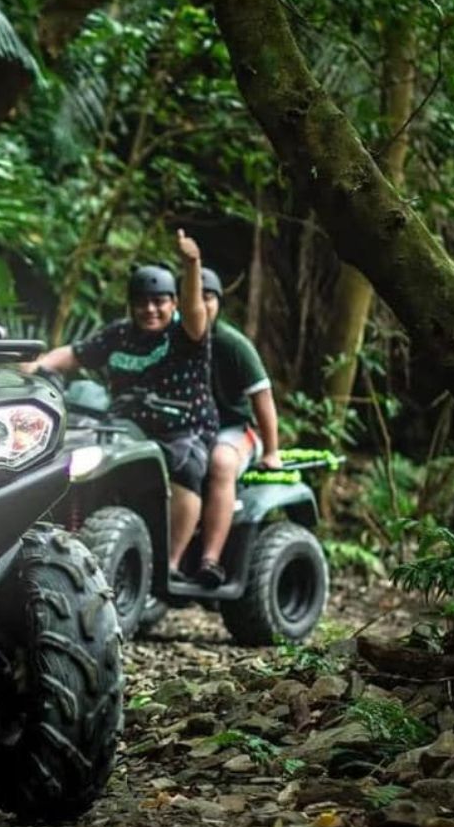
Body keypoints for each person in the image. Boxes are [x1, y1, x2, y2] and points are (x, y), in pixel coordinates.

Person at [23, 232, 218, 581]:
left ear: (173, 303)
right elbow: (73, 355)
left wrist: (191, 264)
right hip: (125, 427)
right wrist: (35, 367)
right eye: (142, 302)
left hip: (183, 428)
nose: (150, 309)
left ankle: (168, 565)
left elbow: (195, 310)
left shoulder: (186, 334)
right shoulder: (120, 334)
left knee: (187, 465)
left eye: (159, 301)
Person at [194, 268, 282, 588]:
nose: (202, 304)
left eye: (209, 297)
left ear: (219, 302)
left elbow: (263, 397)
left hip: (234, 430)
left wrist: (272, 451)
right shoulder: (171, 339)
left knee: (221, 462)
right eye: (195, 296)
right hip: (186, 429)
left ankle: (210, 559)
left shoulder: (233, 344)